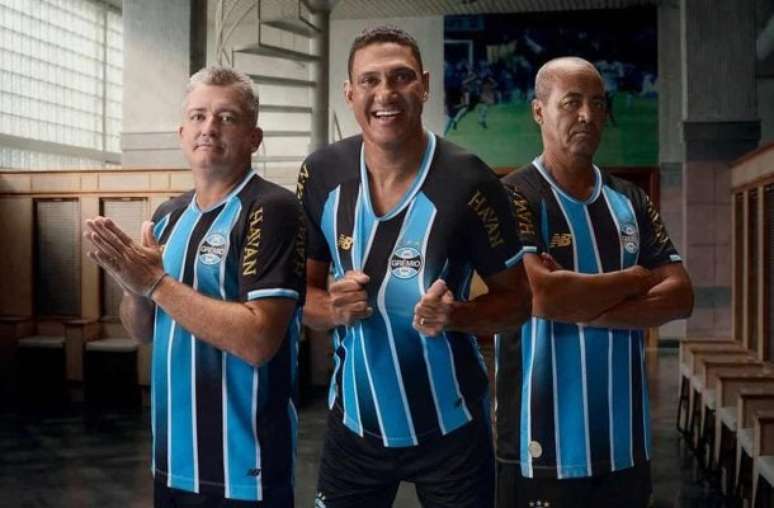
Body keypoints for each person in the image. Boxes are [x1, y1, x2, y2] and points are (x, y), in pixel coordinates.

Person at [297, 26, 531, 508]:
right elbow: (300, 296)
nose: (385, 93)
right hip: (354, 426)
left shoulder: (471, 181)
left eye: (401, 77)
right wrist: (332, 309)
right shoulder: (320, 173)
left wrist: (458, 315)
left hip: (452, 428)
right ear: (349, 93)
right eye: (370, 80)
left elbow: (519, 302)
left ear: (424, 85)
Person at [84, 66, 306, 508]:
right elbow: (142, 331)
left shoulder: (273, 208)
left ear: (254, 138)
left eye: (227, 117)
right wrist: (132, 286)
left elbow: (259, 340)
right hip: (172, 458)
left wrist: (156, 283)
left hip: (245, 464)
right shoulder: (168, 215)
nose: (209, 127)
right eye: (198, 116)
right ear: (182, 132)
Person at [497, 56, 694, 508]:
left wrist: (581, 304)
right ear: (539, 111)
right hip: (539, 442)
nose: (587, 115)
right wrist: (635, 278)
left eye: (598, 103)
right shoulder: (513, 194)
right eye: (572, 102)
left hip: (626, 442)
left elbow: (681, 295)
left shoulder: (631, 199)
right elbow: (541, 295)